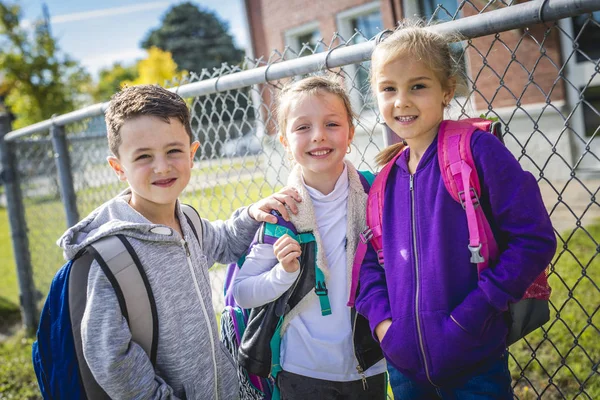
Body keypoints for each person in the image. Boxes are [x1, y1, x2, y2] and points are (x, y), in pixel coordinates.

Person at [57, 84, 301, 399]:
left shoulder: (188, 221)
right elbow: (111, 358)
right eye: (143, 156)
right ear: (118, 168)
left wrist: (253, 214)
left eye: (173, 151)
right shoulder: (111, 255)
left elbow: (225, 243)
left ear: (192, 153)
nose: (162, 166)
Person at [355, 21, 557, 399]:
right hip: (405, 372)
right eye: (388, 89)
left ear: (446, 90)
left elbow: (533, 238)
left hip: (474, 363)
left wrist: (472, 316)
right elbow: (369, 266)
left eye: (418, 85)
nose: (401, 100)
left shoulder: (477, 152)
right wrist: (386, 327)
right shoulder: (383, 184)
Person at [232, 76, 387, 400]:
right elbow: (243, 292)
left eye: (331, 123)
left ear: (350, 134)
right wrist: (282, 274)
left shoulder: (378, 195)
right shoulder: (281, 213)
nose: (318, 136)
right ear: (285, 142)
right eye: (302, 127)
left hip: (371, 364)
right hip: (303, 370)